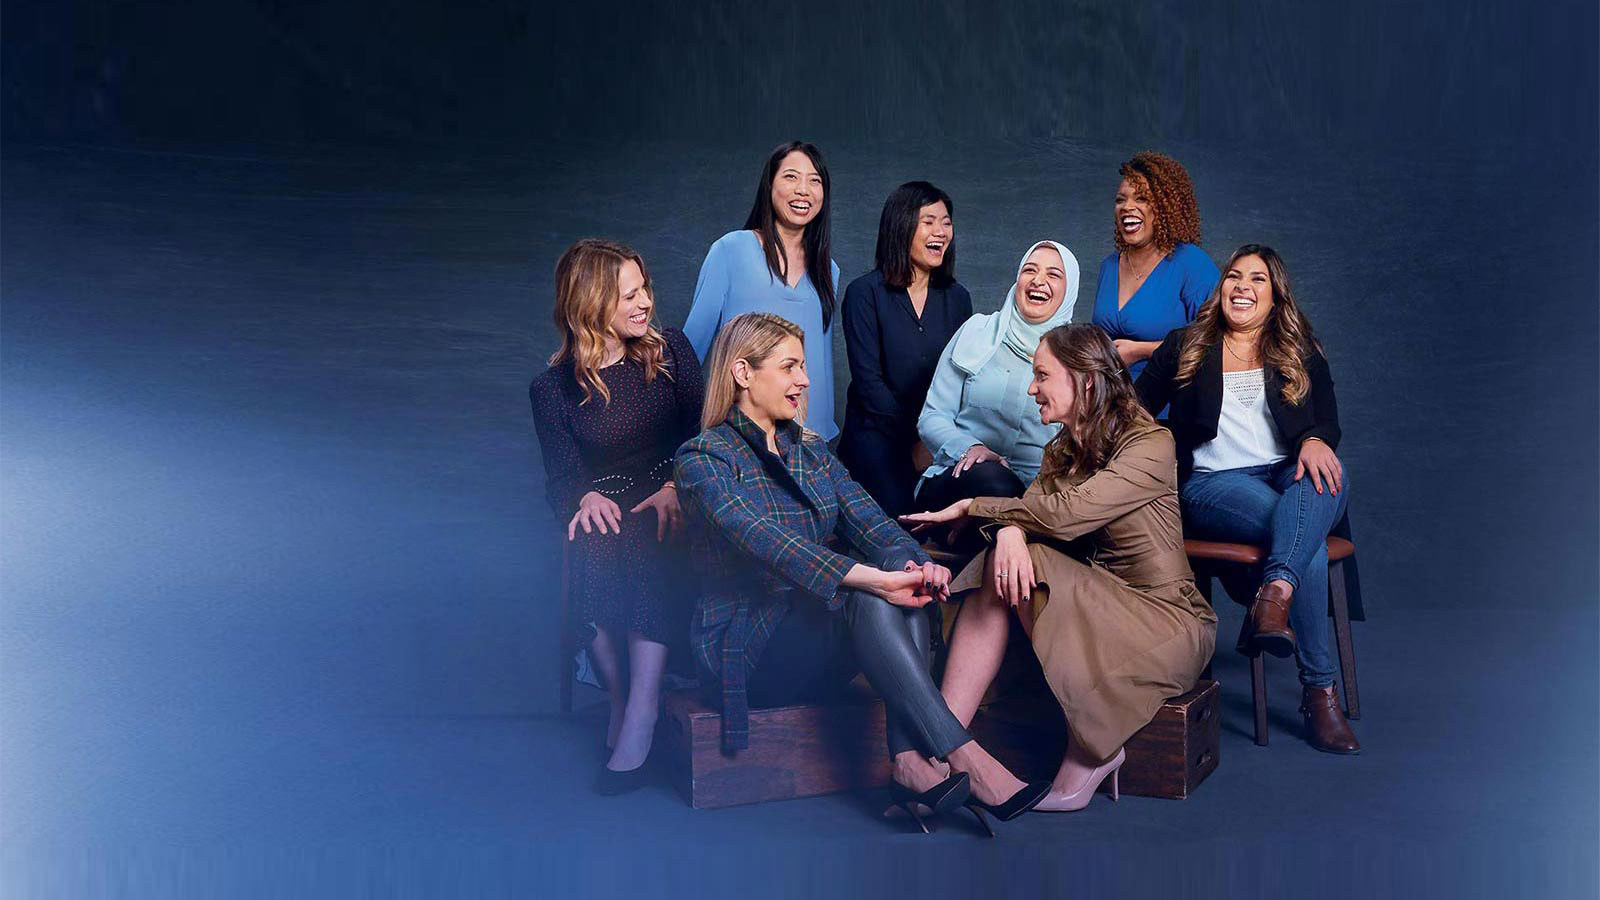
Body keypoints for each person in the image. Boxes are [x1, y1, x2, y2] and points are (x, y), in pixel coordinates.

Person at [675, 313, 1050, 831]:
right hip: (745, 651)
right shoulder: (703, 458)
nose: (805, 380)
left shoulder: (810, 451)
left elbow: (873, 523)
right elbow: (767, 541)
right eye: (790, 367)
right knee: (871, 592)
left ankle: (909, 764)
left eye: (803, 366)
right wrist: (871, 578)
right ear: (743, 372)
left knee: (903, 586)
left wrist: (913, 566)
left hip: (813, 635)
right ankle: (960, 753)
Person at [902, 324, 1217, 811]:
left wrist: (974, 508)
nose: (1032, 388)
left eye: (1042, 375)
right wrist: (1008, 530)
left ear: (1085, 382)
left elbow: (1067, 515)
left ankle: (1090, 752)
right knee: (1003, 560)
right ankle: (943, 749)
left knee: (1022, 558)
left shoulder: (1151, 445)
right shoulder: (1061, 452)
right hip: (1099, 613)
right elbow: (1031, 515)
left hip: (1168, 624)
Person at [1135, 244, 1359, 754]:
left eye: (1257, 280)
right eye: (1234, 277)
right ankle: (1320, 693)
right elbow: (1134, 412)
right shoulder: (1186, 344)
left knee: (1331, 475)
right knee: (1311, 545)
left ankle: (1273, 595)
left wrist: (1317, 438)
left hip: (1287, 474)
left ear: (1275, 295)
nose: (1243, 287)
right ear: (1221, 288)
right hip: (1214, 483)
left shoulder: (1300, 350)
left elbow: (1328, 421)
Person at [528, 239, 703, 793]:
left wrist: (680, 485)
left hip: (675, 493)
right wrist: (583, 500)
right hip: (606, 501)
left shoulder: (670, 350)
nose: (645, 301)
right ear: (590, 305)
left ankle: (644, 713)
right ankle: (623, 700)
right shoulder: (552, 389)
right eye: (628, 294)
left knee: (643, 538)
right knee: (592, 537)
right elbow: (560, 478)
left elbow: (706, 433)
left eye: (644, 288)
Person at [913, 240, 1080, 536]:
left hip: (1036, 495)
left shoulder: (1077, 357)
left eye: (1053, 275)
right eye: (1030, 270)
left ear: (1070, 291)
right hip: (962, 478)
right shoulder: (976, 331)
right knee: (996, 483)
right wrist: (971, 448)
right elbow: (932, 417)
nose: (1038, 280)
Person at [683, 141, 842, 441]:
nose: (803, 190)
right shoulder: (731, 251)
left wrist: (821, 434)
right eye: (791, 177)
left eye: (814, 181)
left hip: (809, 438)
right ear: (769, 185)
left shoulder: (828, 270)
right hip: (741, 432)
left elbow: (820, 362)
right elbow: (691, 352)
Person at [837, 181, 973, 517]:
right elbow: (870, 386)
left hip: (936, 441)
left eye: (946, 222)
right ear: (901, 226)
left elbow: (963, 381)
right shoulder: (863, 294)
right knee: (899, 522)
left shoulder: (958, 298)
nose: (940, 231)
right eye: (928, 221)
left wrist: (934, 441)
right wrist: (917, 439)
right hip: (878, 438)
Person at [1091, 151, 1218, 381]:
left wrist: (1141, 350)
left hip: (1169, 408)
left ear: (1165, 207)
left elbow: (1218, 341)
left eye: (1141, 198)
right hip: (1110, 406)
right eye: (1121, 199)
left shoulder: (1191, 264)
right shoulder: (1109, 266)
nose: (1127, 206)